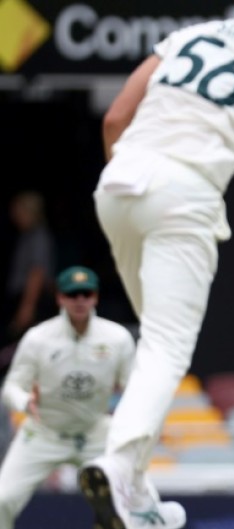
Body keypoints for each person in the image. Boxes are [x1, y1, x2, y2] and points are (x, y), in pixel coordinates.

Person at [77, 0, 234, 527]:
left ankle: (139, 496)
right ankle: (117, 468)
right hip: (184, 196)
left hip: (119, 182)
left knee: (154, 346)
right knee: (167, 350)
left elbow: (115, 118)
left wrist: (133, 186)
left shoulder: (191, 34)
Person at [0, 266, 135, 529]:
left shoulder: (118, 338)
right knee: (2, 500)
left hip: (95, 433)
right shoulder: (38, 338)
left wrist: (129, 419)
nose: (80, 301)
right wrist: (25, 402)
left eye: (86, 294)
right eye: (73, 295)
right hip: (43, 433)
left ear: (95, 296)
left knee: (131, 503)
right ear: (60, 298)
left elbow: (133, 387)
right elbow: (11, 386)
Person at [3, 190, 56, 344]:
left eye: (17, 210)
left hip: (34, 299)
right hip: (24, 298)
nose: (13, 215)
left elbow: (37, 272)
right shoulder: (26, 236)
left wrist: (27, 307)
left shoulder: (38, 236)